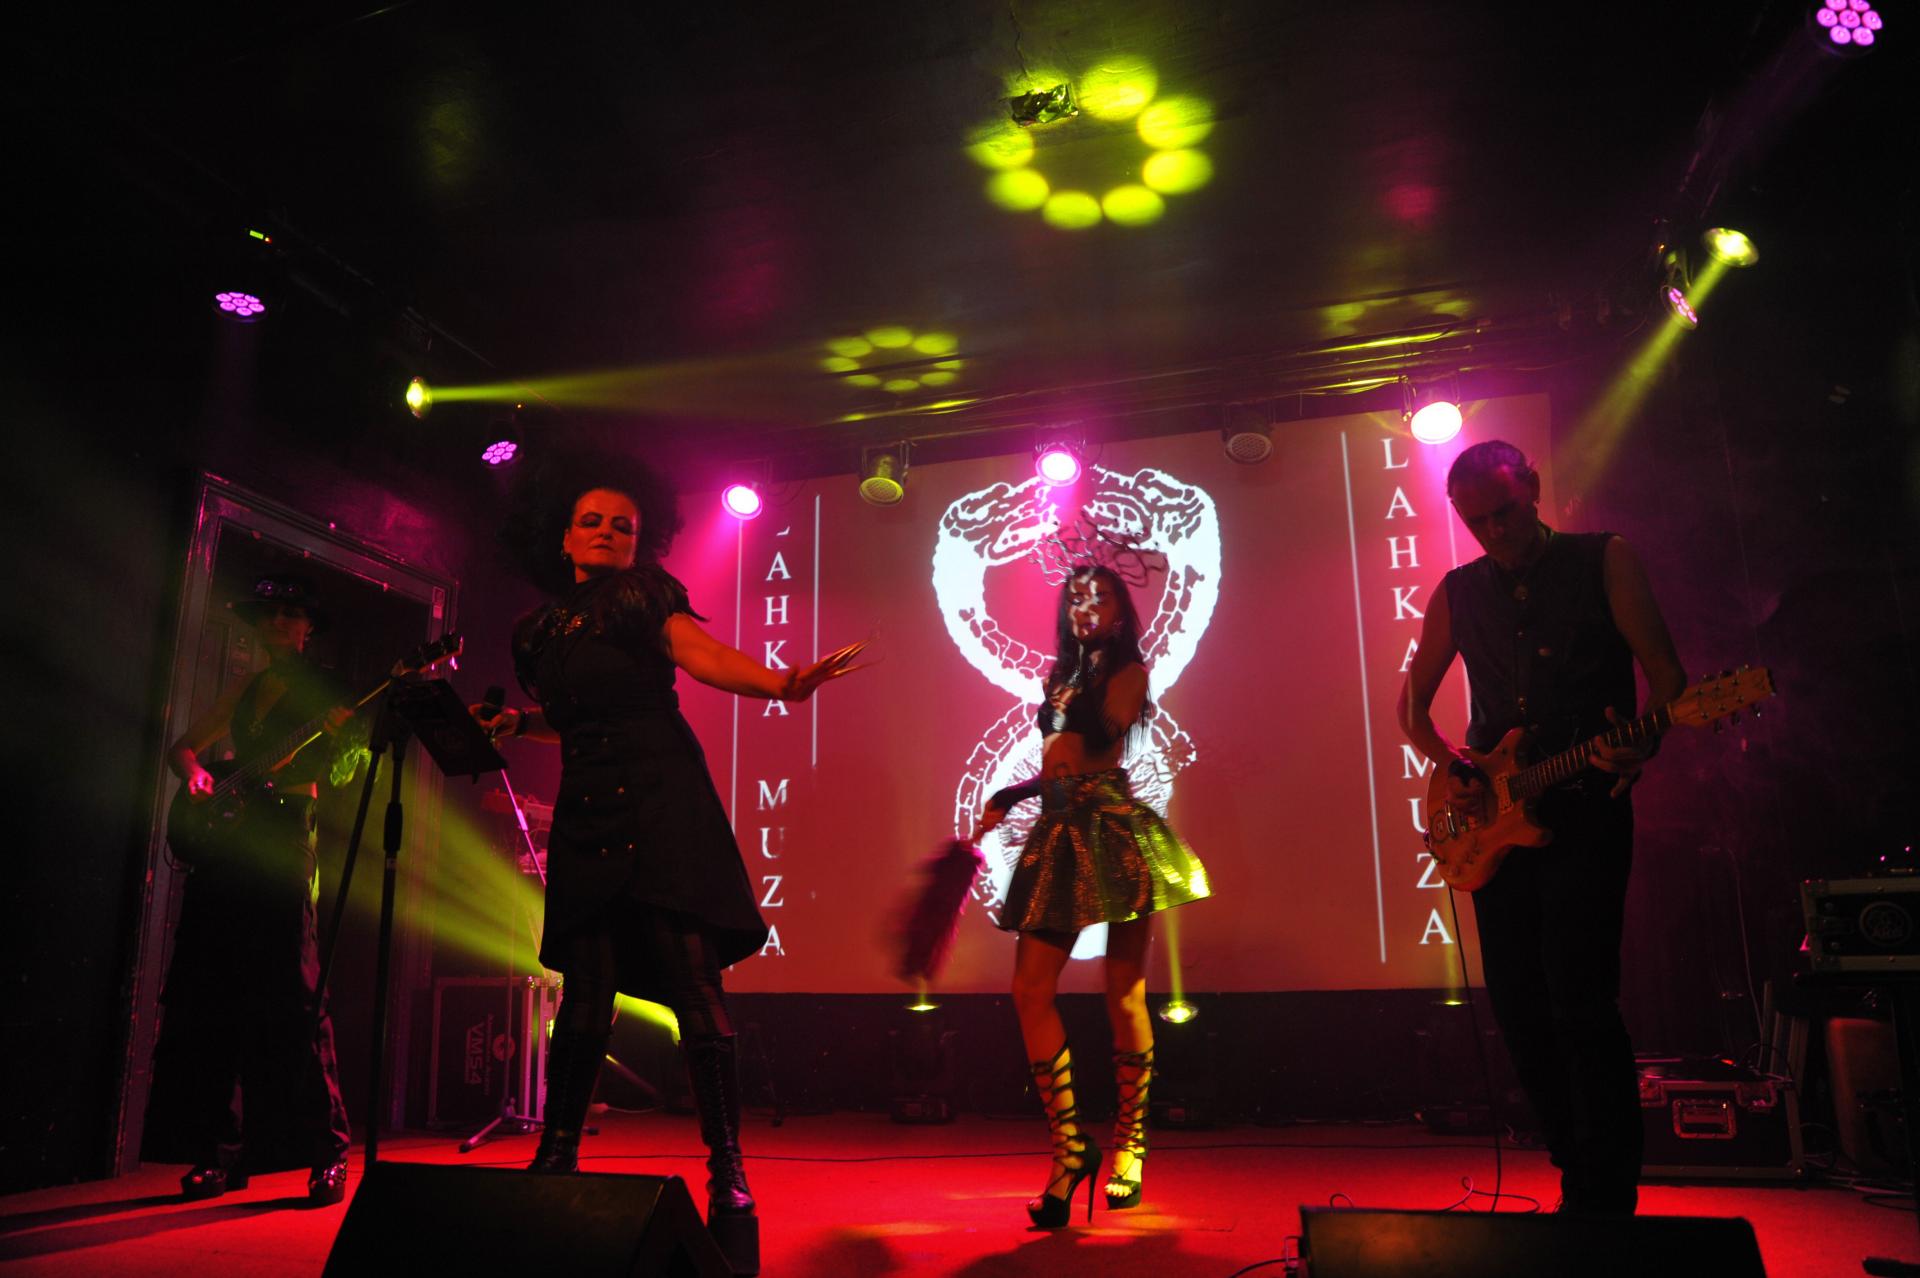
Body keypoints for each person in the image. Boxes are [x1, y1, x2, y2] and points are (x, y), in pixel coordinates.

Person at [478, 456, 861, 1271]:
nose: (608, 532)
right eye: (592, 521)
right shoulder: (538, 633)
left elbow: (699, 653)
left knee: (693, 985)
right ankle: (555, 1159)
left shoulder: (643, 597)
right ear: (564, 537)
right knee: (585, 994)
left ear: (638, 541)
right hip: (588, 811)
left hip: (660, 801)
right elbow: (575, 714)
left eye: (623, 524)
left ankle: (729, 1174)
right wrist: (518, 724)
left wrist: (779, 683)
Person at [1397, 439, 1685, 1215]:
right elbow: (1412, 707)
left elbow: (1666, 675)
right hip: (1499, 819)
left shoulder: (1603, 559)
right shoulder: (1458, 591)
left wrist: (1644, 739)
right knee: (1519, 1006)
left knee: (1582, 999)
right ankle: (1571, 1164)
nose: (1495, 532)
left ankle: (1607, 1189)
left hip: (1588, 806)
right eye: (1478, 522)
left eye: (1506, 512)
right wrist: (1453, 765)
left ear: (1531, 487)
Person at [976, 564, 1211, 1227]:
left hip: (1111, 828)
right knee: (1029, 989)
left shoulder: (1128, 673)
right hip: (1059, 830)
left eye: (1099, 597)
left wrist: (1107, 684)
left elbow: (1106, 731)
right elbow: (1060, 760)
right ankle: (1070, 1148)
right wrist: (1013, 793)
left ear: (1119, 608)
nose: (1085, 606)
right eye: (1075, 597)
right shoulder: (1060, 676)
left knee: (1124, 989)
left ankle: (1130, 1146)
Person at [160, 574, 356, 1206]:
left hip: (287, 832)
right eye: (269, 614)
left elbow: (346, 769)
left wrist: (337, 741)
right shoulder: (244, 686)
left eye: (291, 614)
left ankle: (327, 1152)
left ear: (308, 629)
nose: (278, 623)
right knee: (217, 992)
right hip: (232, 835)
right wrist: (197, 777)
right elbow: (183, 748)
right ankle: (220, 1153)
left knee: (298, 994)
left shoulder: (329, 691)